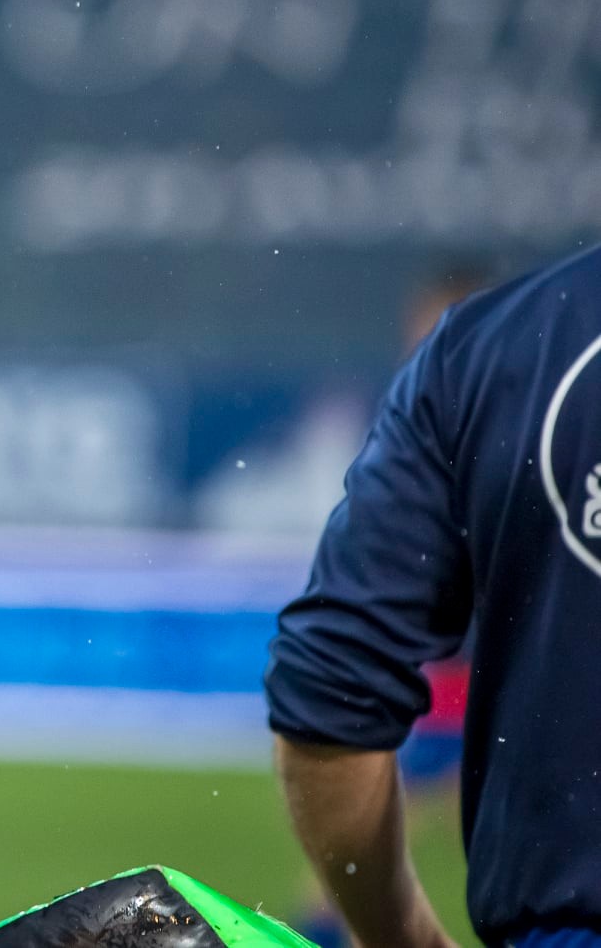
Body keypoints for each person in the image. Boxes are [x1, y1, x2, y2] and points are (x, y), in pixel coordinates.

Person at [265, 244, 601, 948]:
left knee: (395, 807)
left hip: (561, 908)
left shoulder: (490, 353)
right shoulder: (477, 366)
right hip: (456, 683)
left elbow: (331, 688)